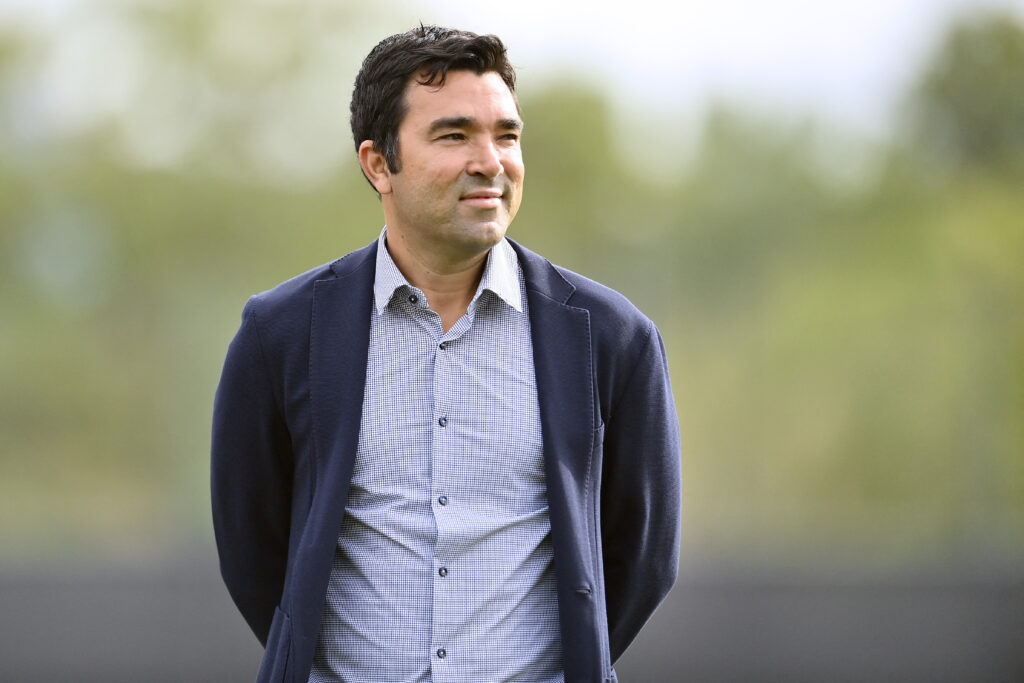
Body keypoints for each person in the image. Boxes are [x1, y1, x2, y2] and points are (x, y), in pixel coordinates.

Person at [212, 25, 681, 683]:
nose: (490, 160)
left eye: (507, 135)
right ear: (379, 163)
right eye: (455, 135)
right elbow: (252, 550)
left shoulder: (612, 338)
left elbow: (643, 556)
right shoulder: (282, 334)